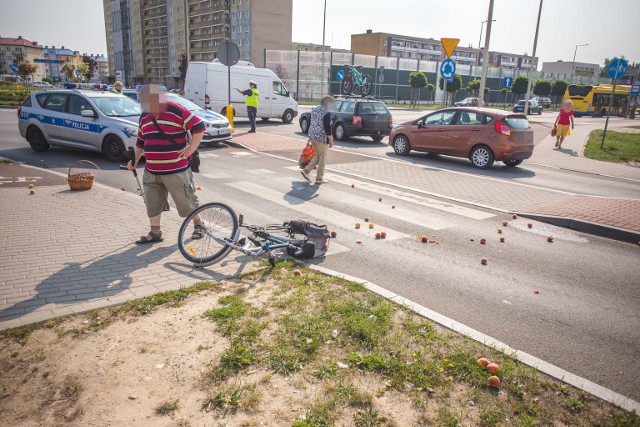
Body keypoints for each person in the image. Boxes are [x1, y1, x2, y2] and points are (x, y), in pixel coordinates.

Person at [127, 84, 206, 244]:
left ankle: (199, 225)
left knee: (186, 201)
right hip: (151, 170)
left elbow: (199, 127)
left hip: (176, 169)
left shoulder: (176, 109)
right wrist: (134, 160)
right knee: (152, 202)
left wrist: (190, 149)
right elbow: (141, 141)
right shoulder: (144, 116)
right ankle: (155, 232)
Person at [301, 96, 334, 184]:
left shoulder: (315, 109)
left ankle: (306, 171)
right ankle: (319, 178)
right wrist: (331, 139)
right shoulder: (326, 112)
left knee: (317, 155)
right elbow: (327, 126)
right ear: (328, 103)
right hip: (321, 137)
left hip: (312, 135)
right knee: (323, 157)